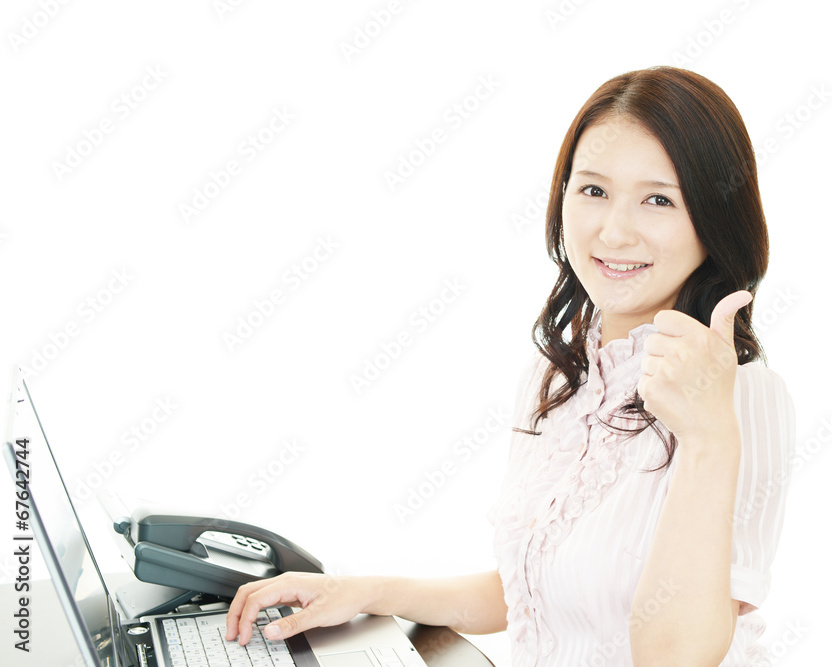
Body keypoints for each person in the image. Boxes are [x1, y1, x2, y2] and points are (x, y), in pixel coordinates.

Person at [225, 65, 796, 667]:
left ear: (715, 219)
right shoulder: (560, 376)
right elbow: (529, 593)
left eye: (659, 200)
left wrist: (708, 439)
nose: (613, 232)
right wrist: (361, 592)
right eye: (593, 190)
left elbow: (675, 658)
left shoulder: (741, 397)